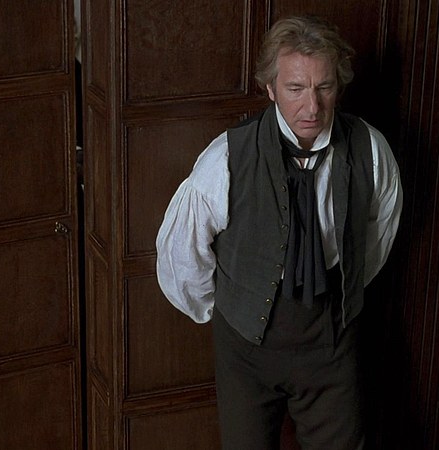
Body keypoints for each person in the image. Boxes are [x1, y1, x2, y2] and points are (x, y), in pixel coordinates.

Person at [155, 15, 402, 450]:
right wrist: (234, 308)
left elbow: (376, 238)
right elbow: (181, 255)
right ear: (270, 88)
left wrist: (341, 294)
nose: (312, 107)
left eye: (324, 87)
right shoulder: (226, 158)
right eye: (296, 88)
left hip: (331, 341)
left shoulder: (371, 150)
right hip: (245, 349)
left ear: (338, 86)